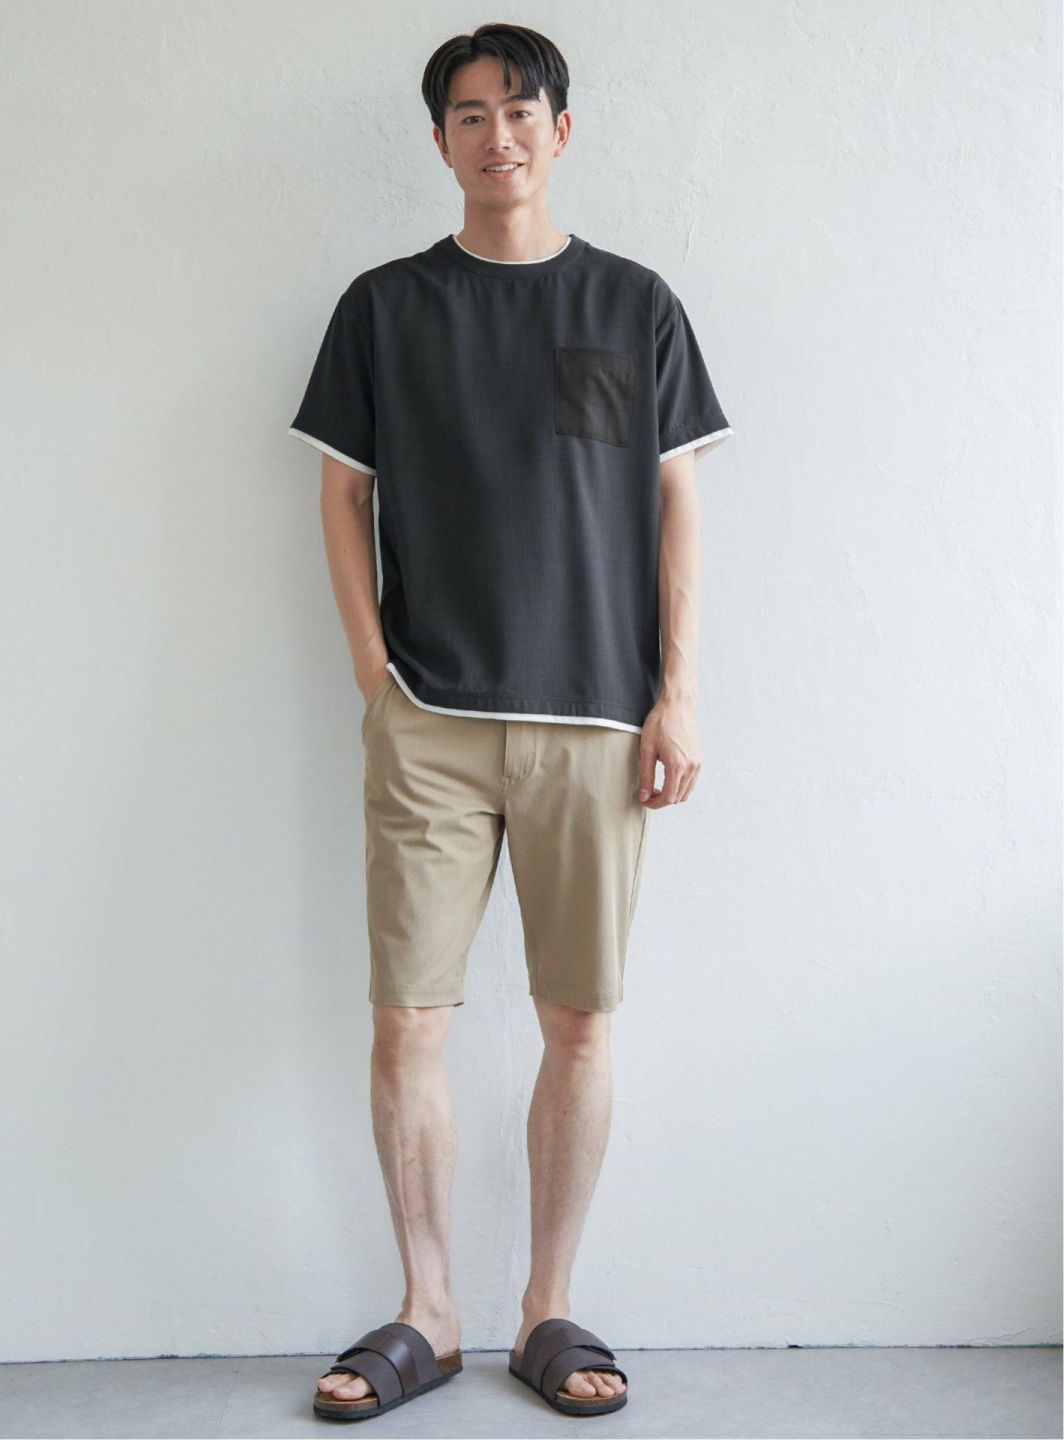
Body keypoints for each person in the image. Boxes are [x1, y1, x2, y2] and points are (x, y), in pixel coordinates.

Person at [287, 22, 732, 1423]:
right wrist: (374, 670)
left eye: (521, 109)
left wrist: (677, 691)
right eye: (470, 115)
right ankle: (427, 1309)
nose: (499, 135)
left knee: (578, 1024)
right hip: (427, 712)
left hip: (596, 716)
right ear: (440, 142)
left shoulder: (633, 303)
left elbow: (675, 500)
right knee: (404, 1025)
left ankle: (548, 1305)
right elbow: (342, 492)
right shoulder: (385, 308)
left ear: (562, 129)